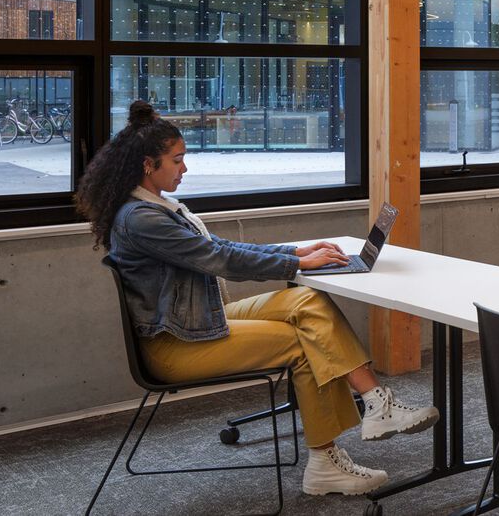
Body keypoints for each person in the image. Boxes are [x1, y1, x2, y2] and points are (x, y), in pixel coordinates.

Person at [77, 101, 437, 497]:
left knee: (306, 301)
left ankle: (376, 401)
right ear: (149, 165)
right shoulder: (142, 218)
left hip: (202, 317)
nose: (185, 168)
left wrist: (296, 255)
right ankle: (324, 464)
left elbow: (220, 245)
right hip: (175, 345)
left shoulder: (154, 206)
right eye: (177, 160)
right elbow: (220, 259)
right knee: (304, 343)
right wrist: (293, 260)